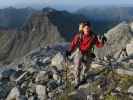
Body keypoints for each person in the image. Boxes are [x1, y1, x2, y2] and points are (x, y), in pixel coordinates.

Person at [66, 21, 107, 89]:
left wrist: (102, 42)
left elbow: (98, 45)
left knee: (87, 67)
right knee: (77, 67)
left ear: (90, 28)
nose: (87, 29)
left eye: (88, 28)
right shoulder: (79, 35)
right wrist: (70, 51)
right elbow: (74, 44)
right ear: (83, 28)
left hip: (88, 52)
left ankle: (83, 78)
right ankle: (77, 82)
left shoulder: (93, 36)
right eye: (85, 28)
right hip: (80, 51)